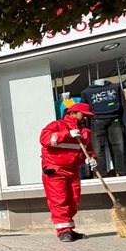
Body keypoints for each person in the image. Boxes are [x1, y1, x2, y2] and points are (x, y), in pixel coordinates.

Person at [40, 102, 98, 242]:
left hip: (72, 170)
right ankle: (63, 231)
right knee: (59, 200)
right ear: (73, 113)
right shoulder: (57, 125)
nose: (84, 118)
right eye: (83, 115)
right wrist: (66, 134)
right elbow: (44, 139)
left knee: (73, 199)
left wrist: (91, 159)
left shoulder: (85, 133)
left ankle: (69, 229)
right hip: (55, 169)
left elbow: (88, 150)